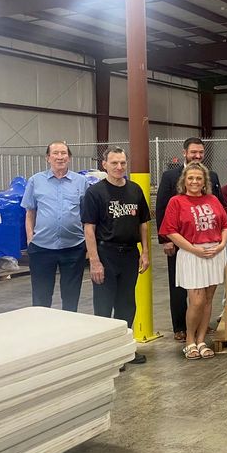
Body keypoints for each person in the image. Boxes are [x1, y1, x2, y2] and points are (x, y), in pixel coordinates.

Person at [81, 147, 149, 366]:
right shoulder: (95, 193)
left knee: (127, 304)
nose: (119, 167)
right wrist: (94, 261)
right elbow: (89, 228)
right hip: (105, 254)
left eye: (122, 163)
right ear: (105, 165)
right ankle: (105, 355)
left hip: (129, 254)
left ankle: (124, 349)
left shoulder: (135, 190)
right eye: (114, 163)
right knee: (103, 305)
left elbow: (143, 224)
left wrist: (145, 252)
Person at [155, 137, 224, 342]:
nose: (197, 155)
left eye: (201, 152)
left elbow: (219, 209)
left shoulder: (211, 175)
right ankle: (180, 328)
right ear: (185, 152)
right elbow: (160, 208)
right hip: (178, 241)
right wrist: (165, 239)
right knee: (179, 287)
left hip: (208, 243)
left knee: (205, 293)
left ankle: (200, 328)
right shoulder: (170, 176)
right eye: (194, 152)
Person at [21, 140, 90, 311]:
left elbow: (87, 214)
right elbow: (30, 212)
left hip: (73, 248)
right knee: (41, 297)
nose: (60, 157)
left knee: (71, 297)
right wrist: (30, 238)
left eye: (63, 153)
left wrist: (87, 243)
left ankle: (68, 332)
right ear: (48, 158)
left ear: (69, 157)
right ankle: (43, 333)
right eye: (55, 153)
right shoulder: (36, 181)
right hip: (42, 247)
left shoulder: (81, 182)